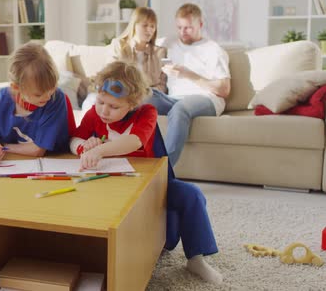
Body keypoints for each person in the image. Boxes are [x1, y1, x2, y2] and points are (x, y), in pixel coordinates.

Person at [70, 60, 222, 284]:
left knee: (191, 194)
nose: (104, 110)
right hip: (108, 187)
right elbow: (73, 139)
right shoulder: (94, 114)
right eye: (101, 102)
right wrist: (84, 147)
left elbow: (134, 141)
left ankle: (196, 258)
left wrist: (100, 149)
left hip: (149, 188)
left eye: (114, 107)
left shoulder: (146, 113)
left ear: (132, 105)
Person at [152, 3, 231, 166]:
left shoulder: (213, 50)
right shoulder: (170, 43)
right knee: (143, 97)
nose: (182, 32)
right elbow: (142, 41)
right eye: (179, 27)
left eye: (188, 28)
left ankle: (164, 171)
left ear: (200, 24)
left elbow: (224, 90)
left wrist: (188, 75)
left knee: (180, 109)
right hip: (173, 98)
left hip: (206, 99)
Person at [0, 43, 76, 165]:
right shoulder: (3, 98)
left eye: (52, 88)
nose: (48, 96)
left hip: (54, 162)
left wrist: (3, 147)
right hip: (14, 163)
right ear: (16, 88)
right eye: (38, 94)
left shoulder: (56, 98)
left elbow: (37, 150)